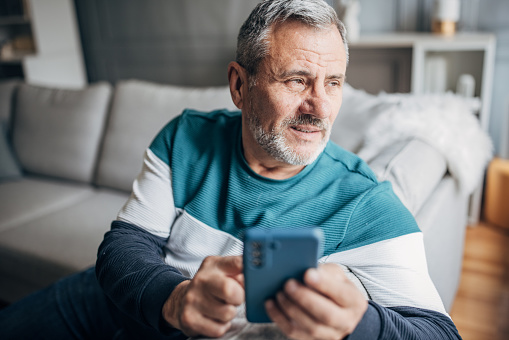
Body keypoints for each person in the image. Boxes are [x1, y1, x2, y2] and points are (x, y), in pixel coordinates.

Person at [0, 0, 462, 339]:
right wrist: (176, 298)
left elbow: (440, 334)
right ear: (240, 85)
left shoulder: (367, 203)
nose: (319, 107)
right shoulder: (186, 137)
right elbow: (125, 244)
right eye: (297, 80)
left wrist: (358, 324)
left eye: (334, 83)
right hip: (104, 303)